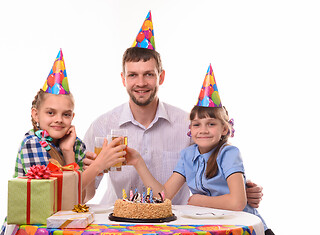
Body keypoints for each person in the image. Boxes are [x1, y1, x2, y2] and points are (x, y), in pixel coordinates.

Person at [82, 11, 263, 207]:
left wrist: (244, 190)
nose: (141, 83)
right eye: (133, 75)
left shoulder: (189, 126)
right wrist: (93, 171)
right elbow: (85, 196)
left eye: (149, 74)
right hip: (118, 220)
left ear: (161, 77)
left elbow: (217, 163)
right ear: (123, 79)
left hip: (176, 224)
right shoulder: (101, 127)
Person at [125, 64, 277, 235]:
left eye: (211, 124)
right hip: (214, 231)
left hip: (245, 230)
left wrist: (199, 200)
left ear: (225, 129)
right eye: (197, 124)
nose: (203, 130)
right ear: (190, 129)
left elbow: (237, 203)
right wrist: (138, 162)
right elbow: (163, 197)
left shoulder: (229, 154)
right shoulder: (188, 155)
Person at [0, 49, 126, 235]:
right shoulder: (32, 144)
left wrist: (70, 155)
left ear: (72, 116)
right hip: (31, 230)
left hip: (59, 229)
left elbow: (80, 199)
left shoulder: (76, 145)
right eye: (51, 113)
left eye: (66, 114)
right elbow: (47, 198)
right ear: (35, 114)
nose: (59, 119)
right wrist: (99, 164)